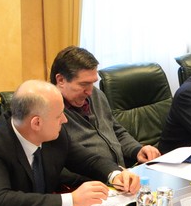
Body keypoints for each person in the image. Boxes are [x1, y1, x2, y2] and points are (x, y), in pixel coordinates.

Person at [0, 80, 110, 206]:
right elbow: (1, 202)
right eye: (58, 116)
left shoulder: (54, 135)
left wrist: (115, 174)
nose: (65, 120)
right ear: (37, 123)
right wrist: (72, 200)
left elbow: (88, 160)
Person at [50, 47, 157, 193]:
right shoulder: (50, 114)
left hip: (119, 176)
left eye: (92, 83)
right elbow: (58, 166)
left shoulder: (96, 95)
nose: (90, 91)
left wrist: (137, 150)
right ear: (61, 80)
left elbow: (116, 130)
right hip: (87, 187)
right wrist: (109, 177)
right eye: (83, 84)